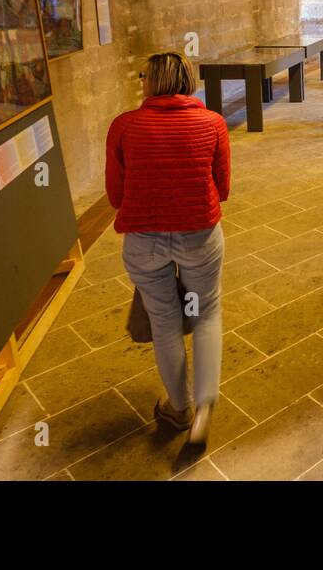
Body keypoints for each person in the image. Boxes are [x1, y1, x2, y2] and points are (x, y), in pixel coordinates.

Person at [106, 52, 230, 446]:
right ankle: (205, 404)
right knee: (207, 312)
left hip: (144, 239)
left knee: (164, 322)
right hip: (199, 233)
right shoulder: (212, 123)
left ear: (151, 82)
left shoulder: (124, 126)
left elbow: (115, 194)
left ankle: (179, 408)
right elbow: (223, 188)